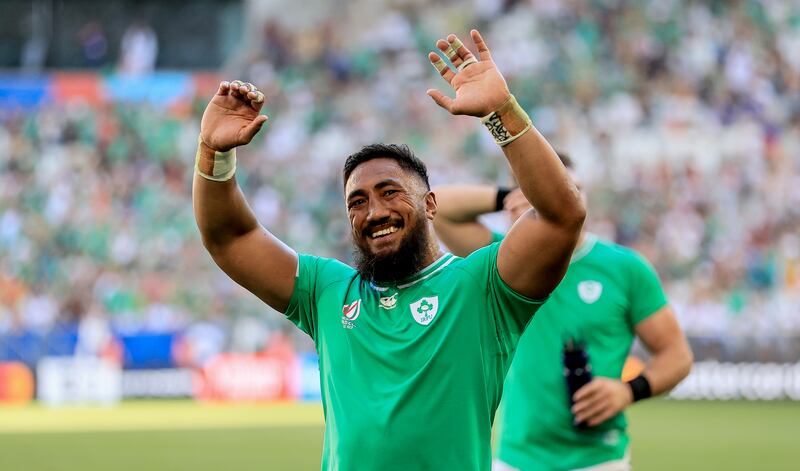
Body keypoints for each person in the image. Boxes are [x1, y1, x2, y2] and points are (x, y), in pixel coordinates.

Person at [192, 30, 585, 470]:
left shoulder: (482, 287)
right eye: (356, 203)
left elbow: (560, 216)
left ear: (431, 204)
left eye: (389, 192)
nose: (374, 211)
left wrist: (502, 113)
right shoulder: (328, 291)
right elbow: (230, 239)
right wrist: (213, 155)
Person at [433, 154, 693, 471]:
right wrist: (511, 195)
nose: (569, 199)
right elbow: (437, 209)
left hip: (598, 460)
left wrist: (628, 391)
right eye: (557, 191)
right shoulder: (504, 263)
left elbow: (677, 356)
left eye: (574, 189)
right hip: (515, 459)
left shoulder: (625, 268)